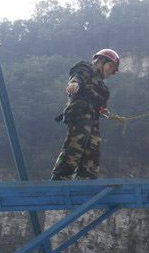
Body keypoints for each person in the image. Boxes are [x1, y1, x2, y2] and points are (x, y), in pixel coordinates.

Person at [51, 49, 120, 180]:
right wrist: (74, 83)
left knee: (93, 151)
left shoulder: (103, 88)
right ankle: (60, 179)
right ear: (100, 61)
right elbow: (78, 76)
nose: (111, 71)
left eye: (113, 70)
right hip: (80, 113)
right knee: (76, 146)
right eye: (110, 66)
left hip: (93, 119)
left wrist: (103, 110)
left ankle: (86, 180)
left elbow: (100, 105)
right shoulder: (86, 68)